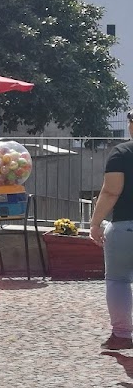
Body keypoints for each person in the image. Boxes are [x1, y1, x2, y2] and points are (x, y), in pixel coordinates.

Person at [90, 111, 133, 349]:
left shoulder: (122, 152)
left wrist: (95, 223)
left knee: (118, 281)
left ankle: (122, 335)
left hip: (126, 227)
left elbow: (111, 191)